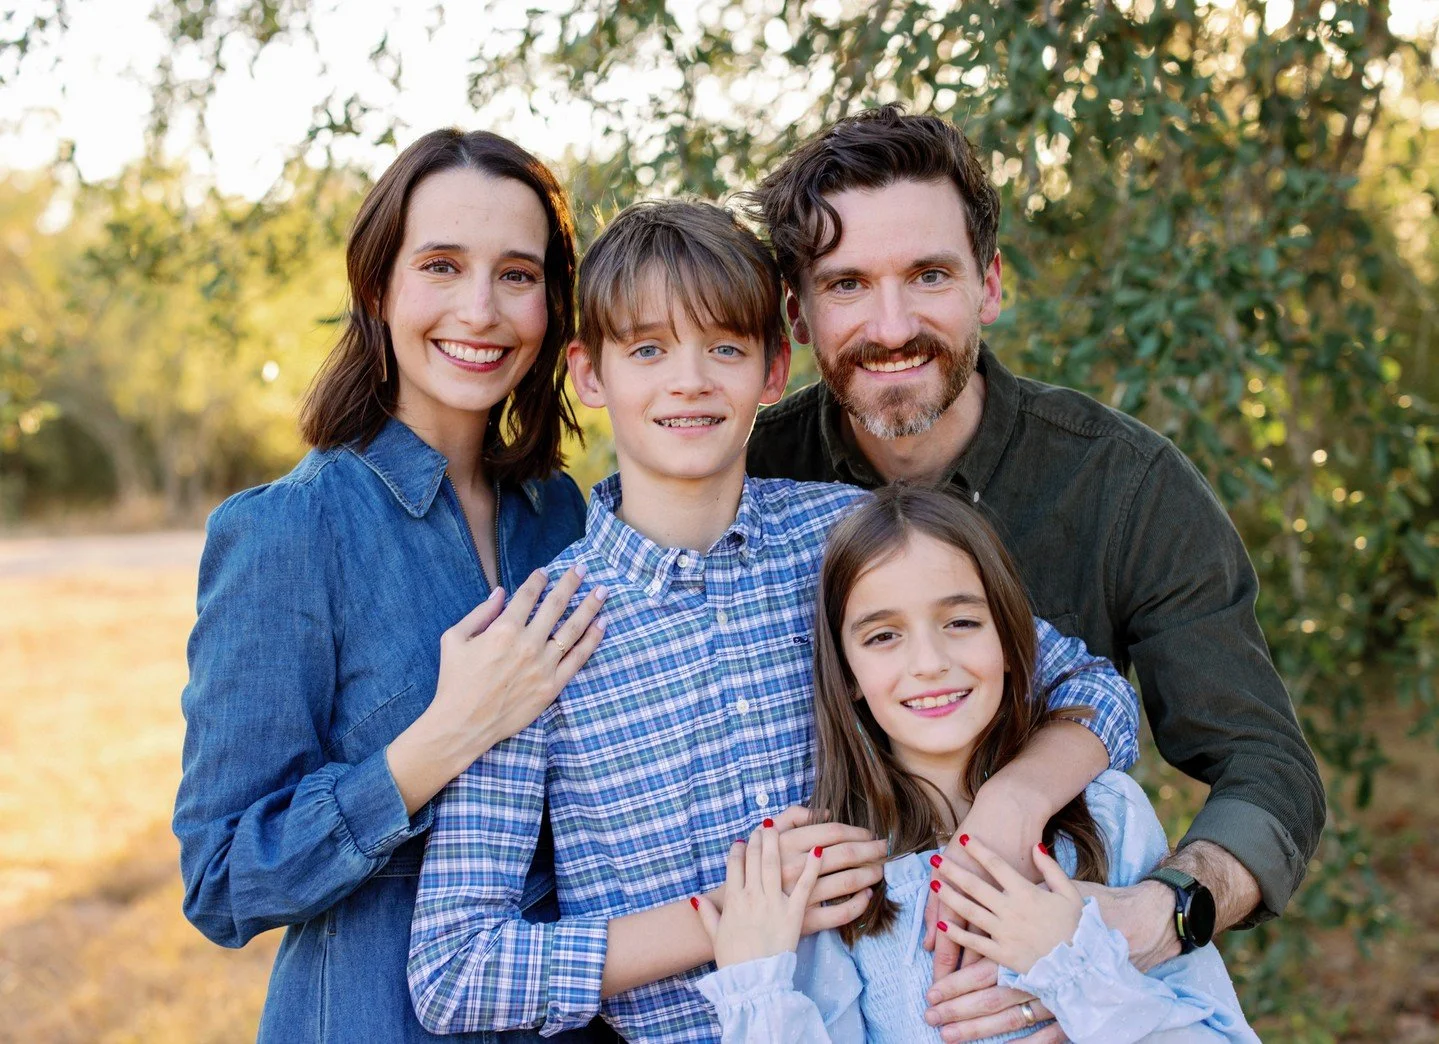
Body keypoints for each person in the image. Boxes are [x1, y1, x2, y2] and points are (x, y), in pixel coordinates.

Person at [408, 199, 1142, 1043]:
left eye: (723, 347)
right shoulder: (542, 635)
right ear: (589, 374)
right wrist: (724, 916)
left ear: (770, 371)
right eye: (647, 349)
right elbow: (455, 973)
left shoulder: (848, 539)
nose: (688, 380)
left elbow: (1092, 691)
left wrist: (1011, 805)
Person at [742, 106, 1324, 1039]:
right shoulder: (741, 481)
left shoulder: (1123, 487)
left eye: (928, 275)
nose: (891, 326)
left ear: (990, 284)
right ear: (798, 314)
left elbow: (1264, 768)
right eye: (847, 284)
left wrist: (1141, 927)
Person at [172, 129, 615, 1043]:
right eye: (442, 265)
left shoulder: (560, 516)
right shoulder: (291, 531)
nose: (481, 310)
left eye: (517, 275)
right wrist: (444, 738)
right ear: (378, 288)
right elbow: (221, 879)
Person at [693, 484, 1261, 1043]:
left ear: (1011, 643)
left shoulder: (1106, 816)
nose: (929, 663)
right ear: (847, 676)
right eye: (884, 635)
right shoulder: (841, 875)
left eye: (961, 622)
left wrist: (1077, 970)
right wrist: (757, 989)